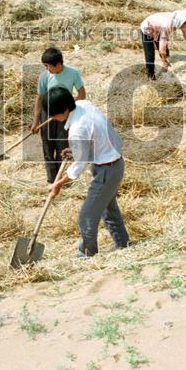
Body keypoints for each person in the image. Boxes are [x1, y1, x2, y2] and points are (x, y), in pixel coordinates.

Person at [46, 87, 130, 257]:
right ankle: (123, 244)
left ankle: (86, 255)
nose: (52, 118)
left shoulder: (76, 130)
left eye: (54, 115)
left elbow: (79, 165)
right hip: (116, 162)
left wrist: (59, 184)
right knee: (109, 208)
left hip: (106, 171)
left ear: (65, 110)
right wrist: (76, 150)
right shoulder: (84, 104)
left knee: (86, 216)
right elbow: (95, 135)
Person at [31, 47, 86, 184]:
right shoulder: (44, 76)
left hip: (65, 115)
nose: (46, 69)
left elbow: (81, 94)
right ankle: (51, 180)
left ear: (59, 64)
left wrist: (67, 106)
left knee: (62, 145)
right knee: (48, 145)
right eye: (45, 66)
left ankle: (61, 179)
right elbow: (39, 98)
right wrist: (36, 121)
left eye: (48, 66)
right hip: (47, 112)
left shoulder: (73, 73)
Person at [138, 10, 186, 79]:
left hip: (158, 28)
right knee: (150, 54)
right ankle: (151, 76)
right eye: (184, 24)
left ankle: (166, 63)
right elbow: (162, 44)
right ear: (180, 21)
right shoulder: (167, 24)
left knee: (165, 51)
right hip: (147, 28)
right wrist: (164, 60)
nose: (184, 25)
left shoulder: (180, 21)